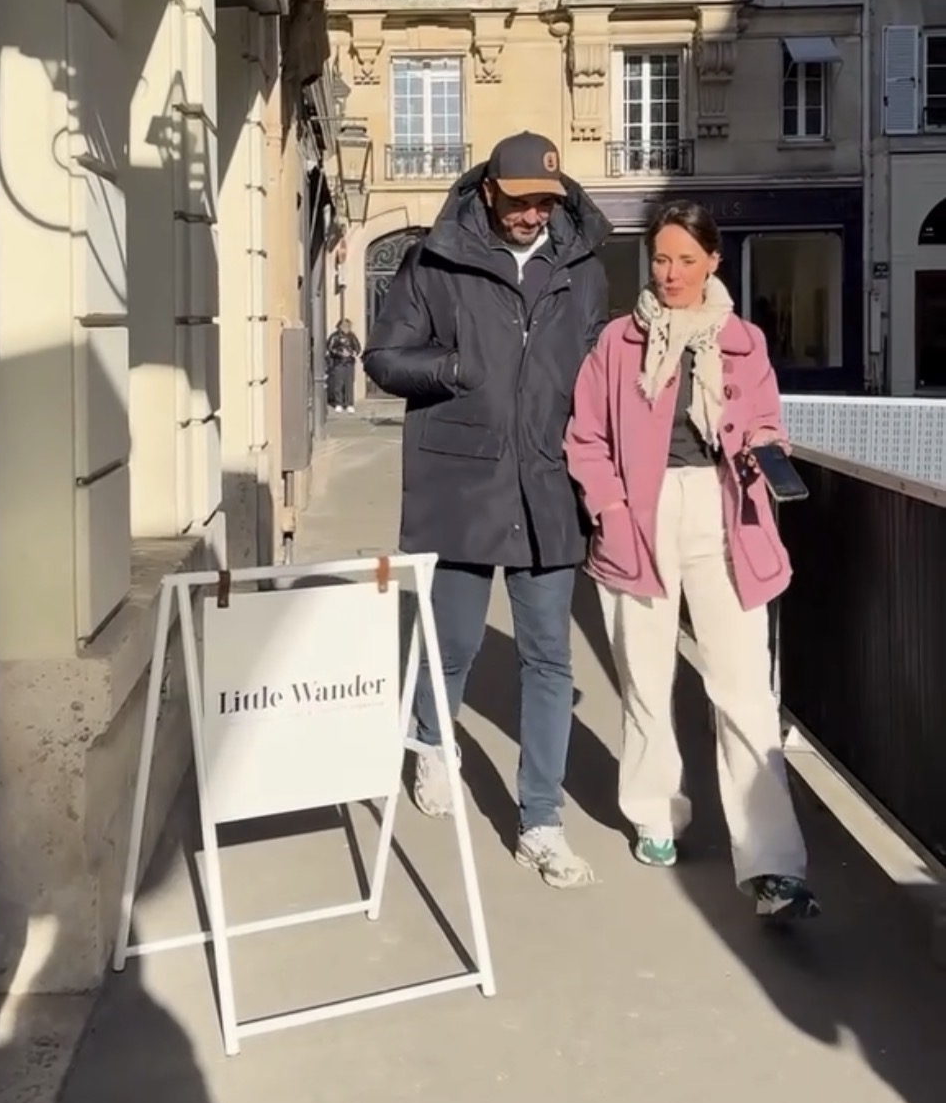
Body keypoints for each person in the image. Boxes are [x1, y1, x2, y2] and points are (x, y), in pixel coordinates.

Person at [364, 131, 612, 887]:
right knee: (453, 643)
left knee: (549, 658)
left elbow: (596, 372)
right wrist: (454, 368)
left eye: (546, 202)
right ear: (488, 192)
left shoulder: (583, 269)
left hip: (549, 487)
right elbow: (383, 359)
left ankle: (541, 820)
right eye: (520, 200)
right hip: (461, 484)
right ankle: (432, 740)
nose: (533, 214)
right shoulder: (433, 260)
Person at [564, 200, 820, 921]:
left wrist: (764, 444)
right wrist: (612, 510)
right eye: (660, 259)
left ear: (712, 261)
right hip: (637, 519)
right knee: (646, 680)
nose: (670, 273)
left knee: (743, 690)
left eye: (684, 259)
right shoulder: (617, 341)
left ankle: (772, 863)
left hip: (724, 512)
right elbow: (585, 437)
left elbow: (766, 421)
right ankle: (654, 812)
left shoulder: (742, 341)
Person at [326, 318, 361, 412]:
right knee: (338, 384)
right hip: (339, 363)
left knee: (349, 384)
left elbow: (357, 347)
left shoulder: (352, 336)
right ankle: (338, 403)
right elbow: (330, 348)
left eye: (348, 326)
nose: (347, 328)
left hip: (349, 363)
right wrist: (340, 353)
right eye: (344, 326)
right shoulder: (335, 336)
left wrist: (353, 352)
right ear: (340, 326)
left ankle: (349, 404)